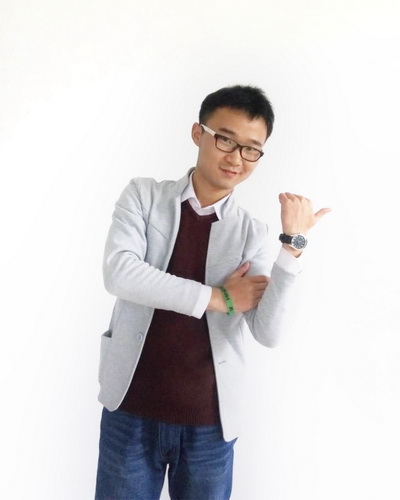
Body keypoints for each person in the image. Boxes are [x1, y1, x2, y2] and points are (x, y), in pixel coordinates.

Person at [95, 85, 330, 499]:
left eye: (251, 149)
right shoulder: (144, 196)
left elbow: (268, 332)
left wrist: (291, 248)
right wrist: (219, 298)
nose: (236, 158)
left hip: (209, 424)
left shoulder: (253, 233)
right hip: (129, 410)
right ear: (197, 133)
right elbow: (120, 274)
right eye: (225, 139)